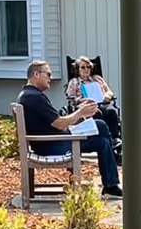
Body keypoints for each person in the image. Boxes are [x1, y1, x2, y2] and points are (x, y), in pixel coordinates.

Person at [18, 59, 121, 196]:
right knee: (101, 129)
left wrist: (80, 115)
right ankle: (111, 182)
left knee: (102, 138)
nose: (51, 78)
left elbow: (56, 123)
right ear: (36, 74)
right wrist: (80, 113)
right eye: (48, 74)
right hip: (53, 145)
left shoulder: (29, 95)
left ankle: (111, 183)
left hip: (54, 140)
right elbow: (59, 123)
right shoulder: (34, 97)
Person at [64, 56, 120, 134]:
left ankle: (114, 137)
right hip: (85, 105)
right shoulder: (74, 82)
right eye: (83, 67)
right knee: (96, 112)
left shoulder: (98, 79)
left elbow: (109, 92)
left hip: (102, 103)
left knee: (111, 111)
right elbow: (71, 97)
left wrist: (107, 96)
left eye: (88, 67)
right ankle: (103, 136)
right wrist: (82, 99)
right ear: (78, 70)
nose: (86, 69)